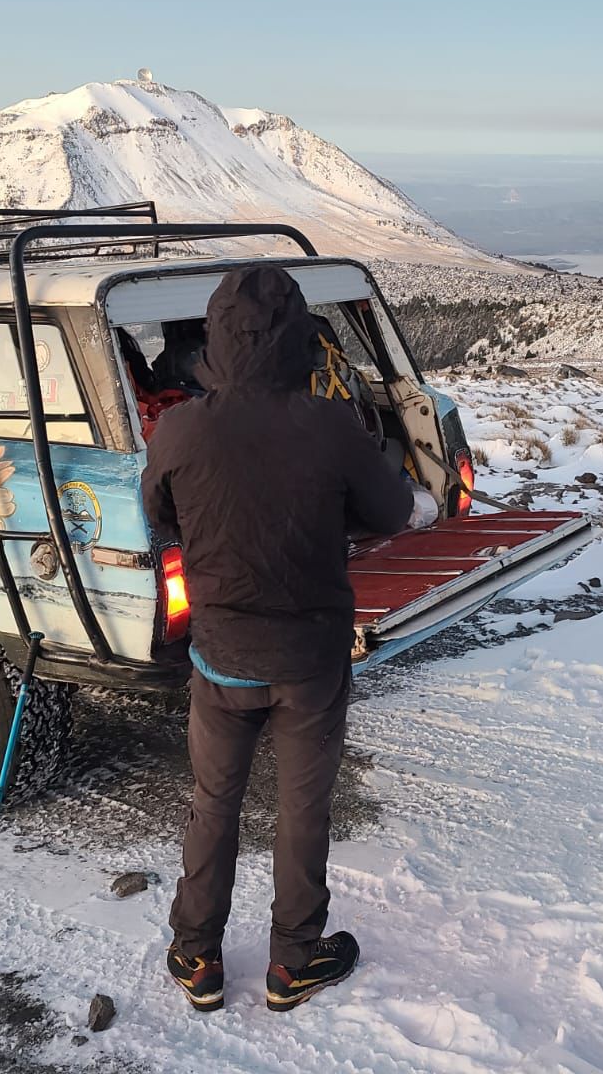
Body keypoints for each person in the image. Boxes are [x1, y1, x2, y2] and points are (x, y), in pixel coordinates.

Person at [142, 263, 413, 1012]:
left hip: (221, 652)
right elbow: (393, 511)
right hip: (311, 658)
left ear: (217, 337)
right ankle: (292, 961)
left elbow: (160, 512)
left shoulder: (181, 426)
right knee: (303, 809)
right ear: (297, 338)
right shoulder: (328, 423)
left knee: (213, 802)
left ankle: (196, 956)